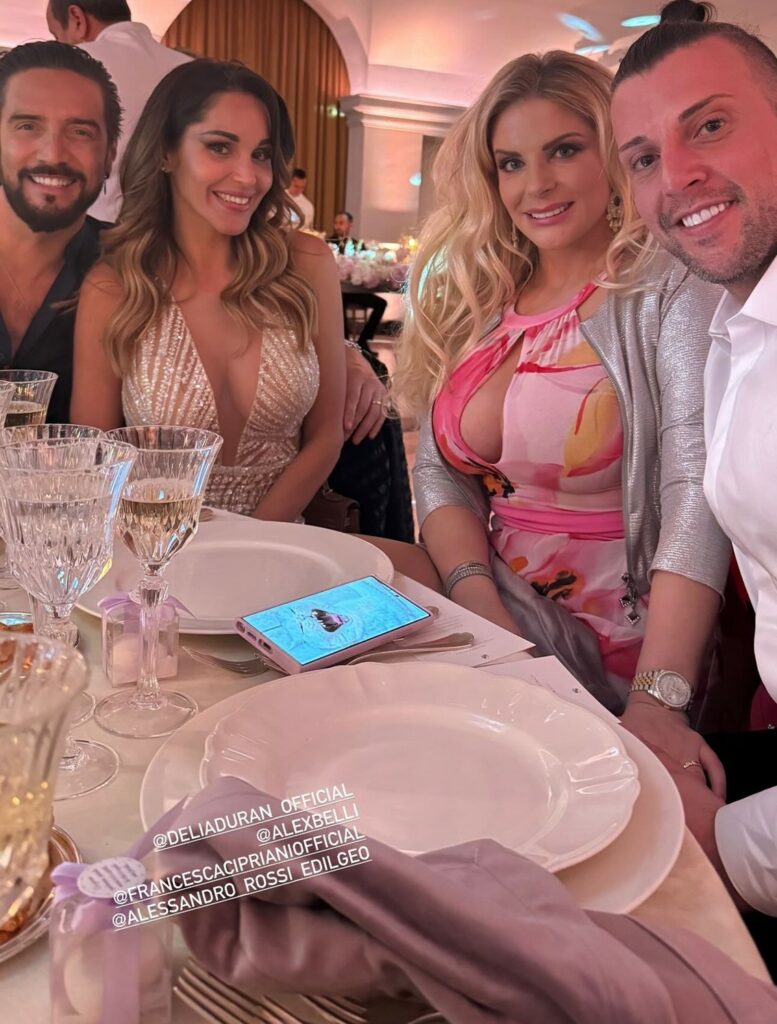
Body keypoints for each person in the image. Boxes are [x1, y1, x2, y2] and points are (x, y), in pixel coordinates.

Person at [388, 50, 731, 719]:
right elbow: (436, 470)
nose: (536, 185)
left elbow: (695, 493)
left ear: (613, 152)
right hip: (490, 609)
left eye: (564, 150)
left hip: (625, 641)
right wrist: (479, 605)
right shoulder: (481, 297)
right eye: (511, 163)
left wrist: (658, 698)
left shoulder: (668, 285)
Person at [611, 0, 777, 967]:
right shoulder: (730, 324)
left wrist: (721, 843)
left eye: (708, 125)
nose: (675, 177)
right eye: (643, 157)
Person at [70, 59, 345, 522]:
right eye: (220, 147)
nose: (248, 176)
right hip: (156, 548)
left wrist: (256, 540)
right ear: (166, 152)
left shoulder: (307, 263)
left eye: (261, 154)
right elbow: (96, 462)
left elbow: (325, 437)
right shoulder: (115, 288)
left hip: (284, 541)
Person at [0, 40, 119, 423]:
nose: (53, 154)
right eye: (27, 126)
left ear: (110, 155)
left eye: (80, 132)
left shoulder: (134, 267)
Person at [46, 0, 191, 223]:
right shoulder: (191, 68)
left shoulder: (67, 67)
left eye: (57, 35)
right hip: (175, 229)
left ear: (77, 18)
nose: (60, 43)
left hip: (88, 230)